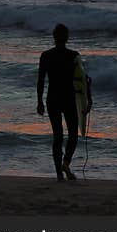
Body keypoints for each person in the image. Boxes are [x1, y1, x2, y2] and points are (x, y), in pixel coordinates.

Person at [37, 24, 91, 181]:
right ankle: (66, 163)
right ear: (67, 38)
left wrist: (39, 102)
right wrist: (89, 101)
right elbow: (84, 81)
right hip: (68, 98)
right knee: (73, 134)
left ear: (53, 37)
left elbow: (40, 81)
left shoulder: (45, 56)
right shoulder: (74, 55)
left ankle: (59, 174)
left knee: (57, 136)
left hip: (52, 98)